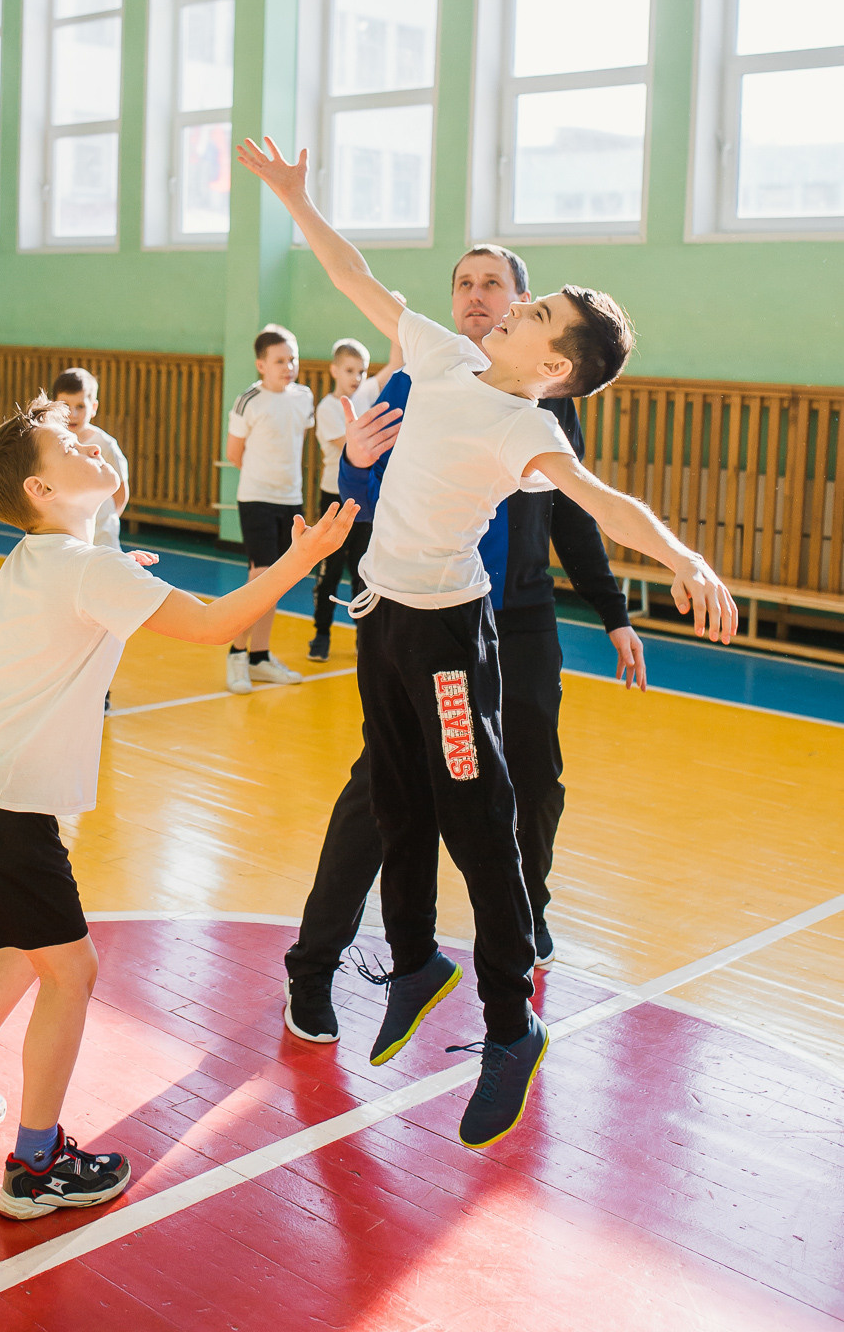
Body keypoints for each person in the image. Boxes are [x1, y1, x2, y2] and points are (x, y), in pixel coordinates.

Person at [237, 135, 736, 1151]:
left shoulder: (531, 434)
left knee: (479, 823)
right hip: (383, 621)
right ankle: (415, 965)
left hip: (448, 640)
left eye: (535, 310)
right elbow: (354, 277)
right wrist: (295, 200)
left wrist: (680, 556)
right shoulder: (441, 354)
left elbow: (605, 502)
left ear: (550, 364)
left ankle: (511, 1026)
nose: (511, 306)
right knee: (390, 796)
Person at [0, 394, 358, 1219]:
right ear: (41, 492)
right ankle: (36, 1168)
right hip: (3, 809)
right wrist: (307, 555)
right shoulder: (85, 569)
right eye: (70, 445)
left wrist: (120, 580)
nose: (90, 445)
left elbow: (81, 604)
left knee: (22, 948)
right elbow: (220, 621)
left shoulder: (40, 557)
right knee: (71, 972)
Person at [285, 243, 645, 1044]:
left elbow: (578, 515)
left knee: (530, 787)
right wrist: (352, 461)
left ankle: (521, 935)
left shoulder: (541, 401)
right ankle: (315, 969)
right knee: (382, 799)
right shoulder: (422, 375)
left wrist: (614, 610)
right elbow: (366, 502)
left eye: (495, 285)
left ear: (520, 307)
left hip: (517, 622)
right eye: (464, 283)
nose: (479, 296)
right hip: (428, 620)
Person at [223, 323, 315, 693]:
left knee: (276, 582)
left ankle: (260, 658)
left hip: (290, 500)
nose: (288, 366)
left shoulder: (304, 397)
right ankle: (236, 652)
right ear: (261, 364)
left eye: (292, 358)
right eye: (279, 360)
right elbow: (234, 453)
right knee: (260, 575)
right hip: (256, 499)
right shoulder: (249, 401)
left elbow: (297, 444)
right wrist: (263, 481)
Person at [308, 329, 402, 663]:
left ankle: (365, 638)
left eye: (361, 370)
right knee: (330, 569)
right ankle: (321, 634)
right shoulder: (329, 407)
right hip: (335, 497)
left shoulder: (365, 395)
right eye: (349, 370)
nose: (357, 377)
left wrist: (396, 323)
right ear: (334, 370)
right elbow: (349, 448)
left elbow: (395, 364)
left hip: (364, 500)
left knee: (364, 569)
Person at [52, 368, 129, 551]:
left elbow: (121, 492)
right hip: (67, 532)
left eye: (80, 406)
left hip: (101, 535)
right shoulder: (52, 442)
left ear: (93, 408)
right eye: (65, 406)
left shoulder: (106, 445)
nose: (73, 414)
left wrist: (107, 520)